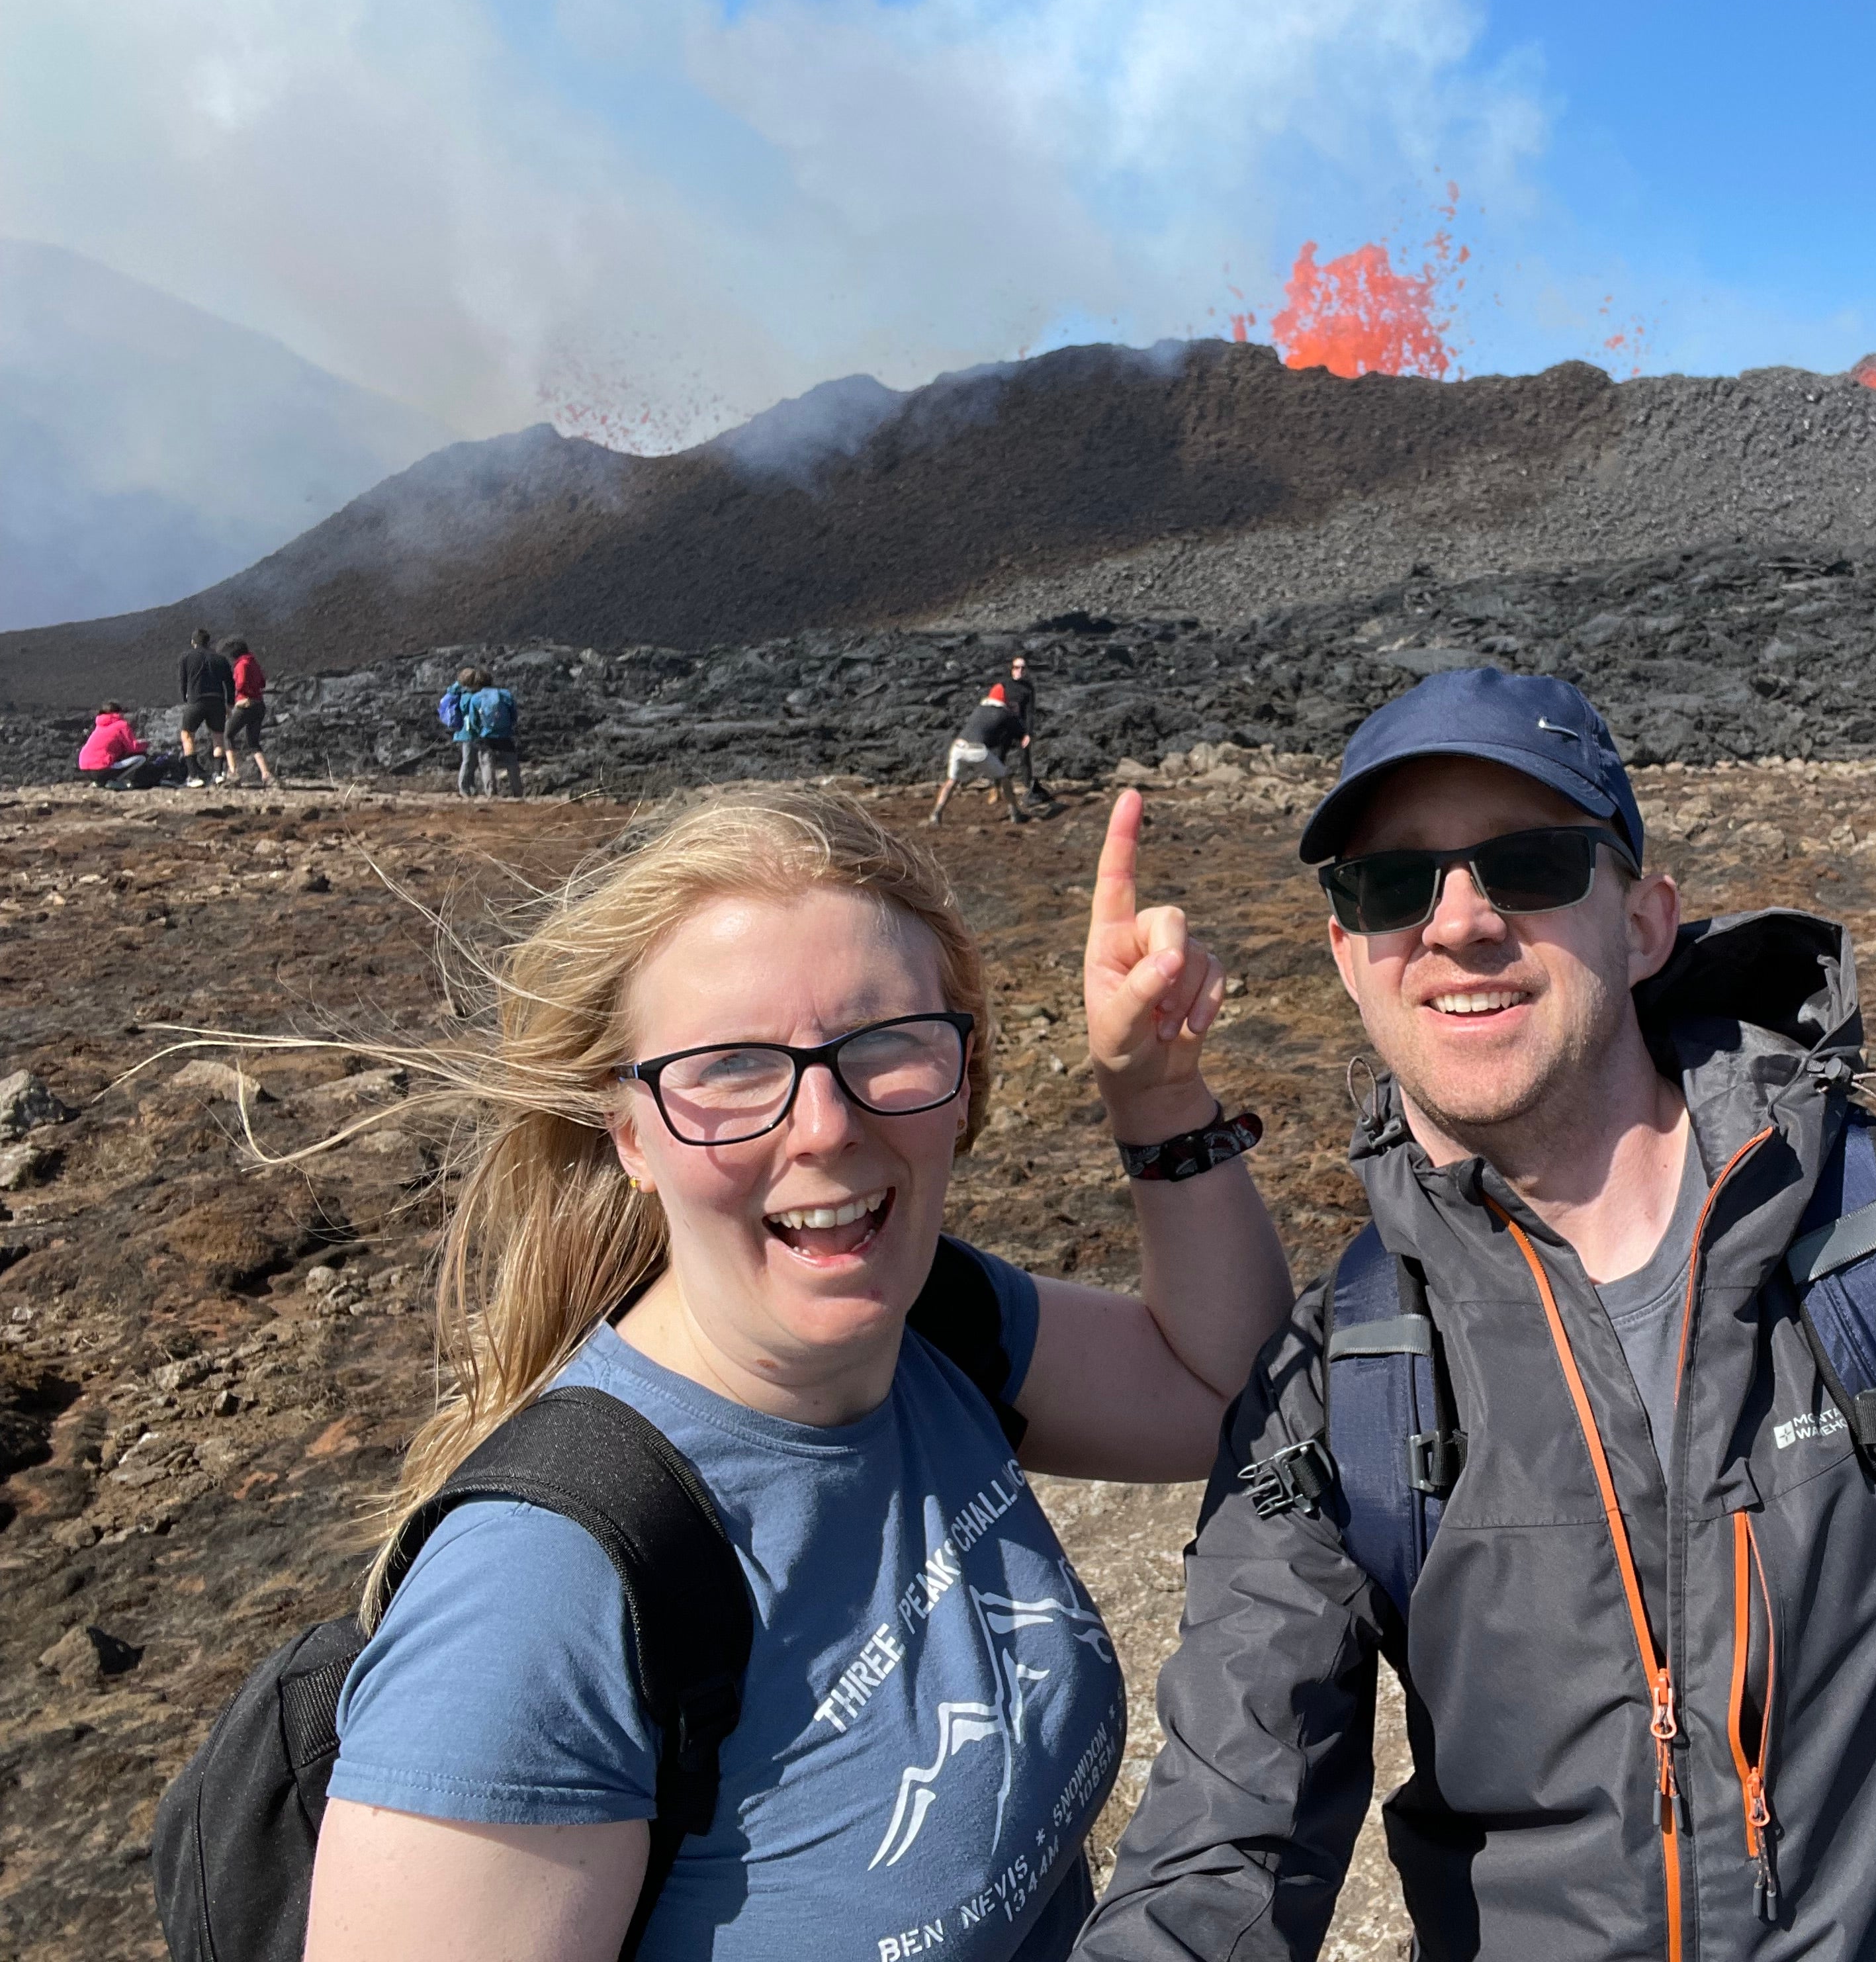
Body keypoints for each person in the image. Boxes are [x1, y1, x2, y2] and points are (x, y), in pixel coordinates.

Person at [1081, 668, 1876, 1962]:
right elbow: (1220, 1840)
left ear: (1645, 922)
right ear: (1348, 956)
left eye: (1531, 864)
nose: (1459, 924)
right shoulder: (1347, 1377)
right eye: (1392, 884)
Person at [304, 787, 1292, 1961]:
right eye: (728, 1067)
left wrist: (1158, 1096)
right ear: (629, 1132)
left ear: (963, 1079)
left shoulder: (936, 1325)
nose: (825, 1123)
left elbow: (1221, 1394)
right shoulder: (538, 1603)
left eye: (886, 1045)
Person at [928, 684, 1030, 825]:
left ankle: (936, 813)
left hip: (958, 747)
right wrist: (1016, 713)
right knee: (1005, 777)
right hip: (976, 751)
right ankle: (1015, 813)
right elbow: (1019, 730)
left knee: (951, 781)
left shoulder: (980, 709)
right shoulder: (1003, 713)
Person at [177, 626, 234, 787]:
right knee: (218, 737)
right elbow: (230, 683)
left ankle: (194, 776)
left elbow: (183, 682)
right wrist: (229, 703)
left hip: (196, 701)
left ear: (193, 642)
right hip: (217, 701)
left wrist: (185, 700)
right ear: (209, 643)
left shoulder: (186, 657)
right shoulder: (220, 659)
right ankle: (218, 773)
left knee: (188, 735)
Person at [456, 668, 523, 798]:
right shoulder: (505, 694)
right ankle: (518, 792)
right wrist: (510, 727)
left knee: (487, 764)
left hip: (486, 736)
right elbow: (514, 714)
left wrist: (480, 730)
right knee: (512, 764)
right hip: (505, 735)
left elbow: (474, 719)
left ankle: (491, 792)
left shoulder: (476, 698)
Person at [220, 639, 277, 789]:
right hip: (259, 705)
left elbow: (240, 685)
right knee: (253, 741)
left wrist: (235, 693)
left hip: (246, 704)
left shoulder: (242, 665)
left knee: (227, 735)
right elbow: (263, 683)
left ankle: (233, 773)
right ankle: (266, 774)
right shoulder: (253, 662)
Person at [1002, 654, 1048, 800]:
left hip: (1020, 726)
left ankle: (1028, 786)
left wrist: (1028, 733)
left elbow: (1030, 712)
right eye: (1017, 667)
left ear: (1026, 670)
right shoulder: (1004, 685)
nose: (1019, 671)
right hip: (1004, 725)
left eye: (1023, 668)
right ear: (1012, 669)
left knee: (1025, 757)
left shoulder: (1028, 689)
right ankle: (997, 787)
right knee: (999, 755)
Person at [77, 703, 152, 788]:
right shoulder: (122, 725)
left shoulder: (99, 726)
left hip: (85, 768)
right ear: (118, 713)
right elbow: (133, 748)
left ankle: (99, 782)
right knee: (141, 758)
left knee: (109, 762)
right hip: (102, 769)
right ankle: (115, 782)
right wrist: (147, 744)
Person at [439, 668, 482, 796]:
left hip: (466, 731)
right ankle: (464, 788)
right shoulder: (468, 695)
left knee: (471, 761)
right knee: (469, 760)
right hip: (469, 731)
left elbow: (452, 690)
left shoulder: (461, 692)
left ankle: (470, 787)